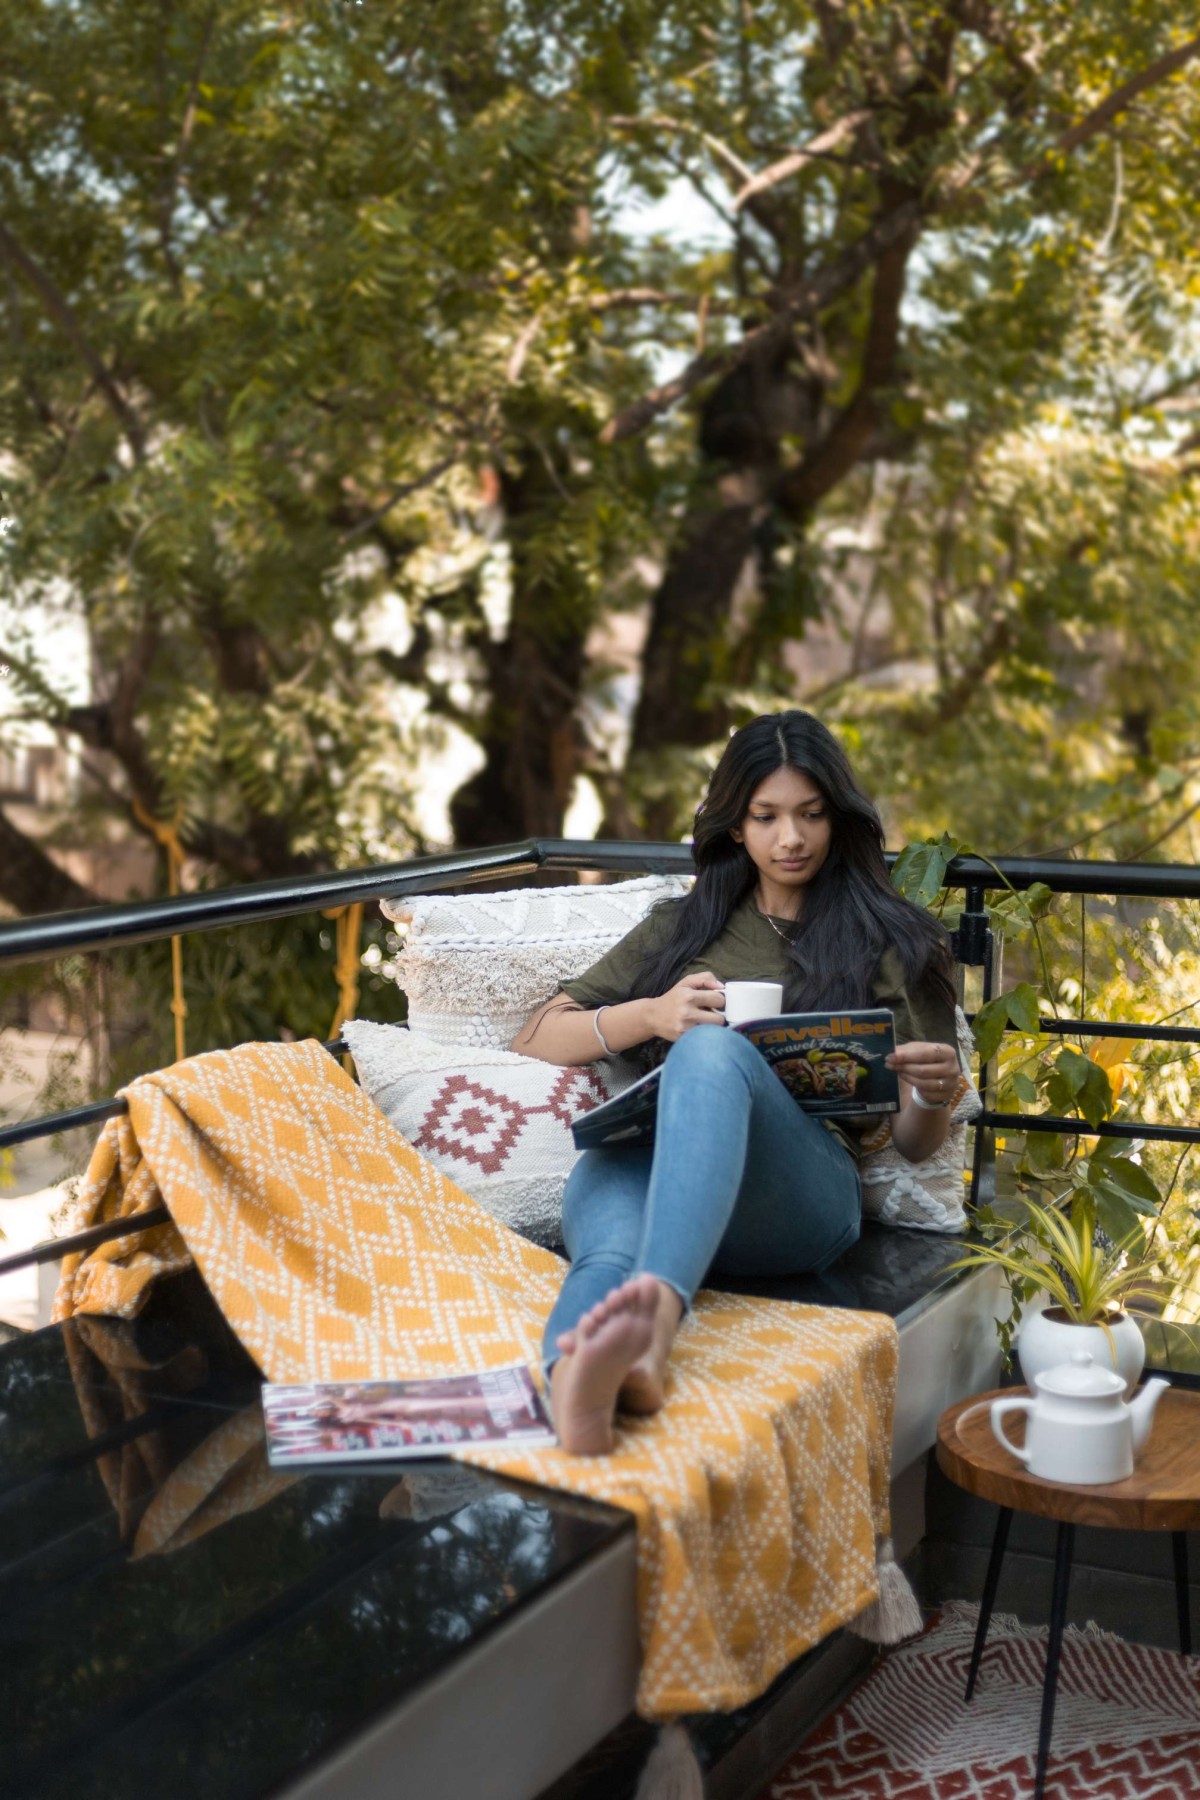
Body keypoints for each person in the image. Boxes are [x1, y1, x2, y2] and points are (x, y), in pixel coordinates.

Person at [511, 711, 961, 1454]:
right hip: (657, 1178)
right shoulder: (682, 927)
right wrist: (651, 1014)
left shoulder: (894, 939)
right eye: (768, 816)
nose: (792, 838)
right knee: (606, 1235)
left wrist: (934, 1095)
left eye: (812, 815)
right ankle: (574, 1379)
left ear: (837, 819)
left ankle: (652, 1332)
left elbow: (914, 1147)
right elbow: (534, 1035)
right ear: (735, 827)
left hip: (798, 1202)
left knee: (711, 1055)